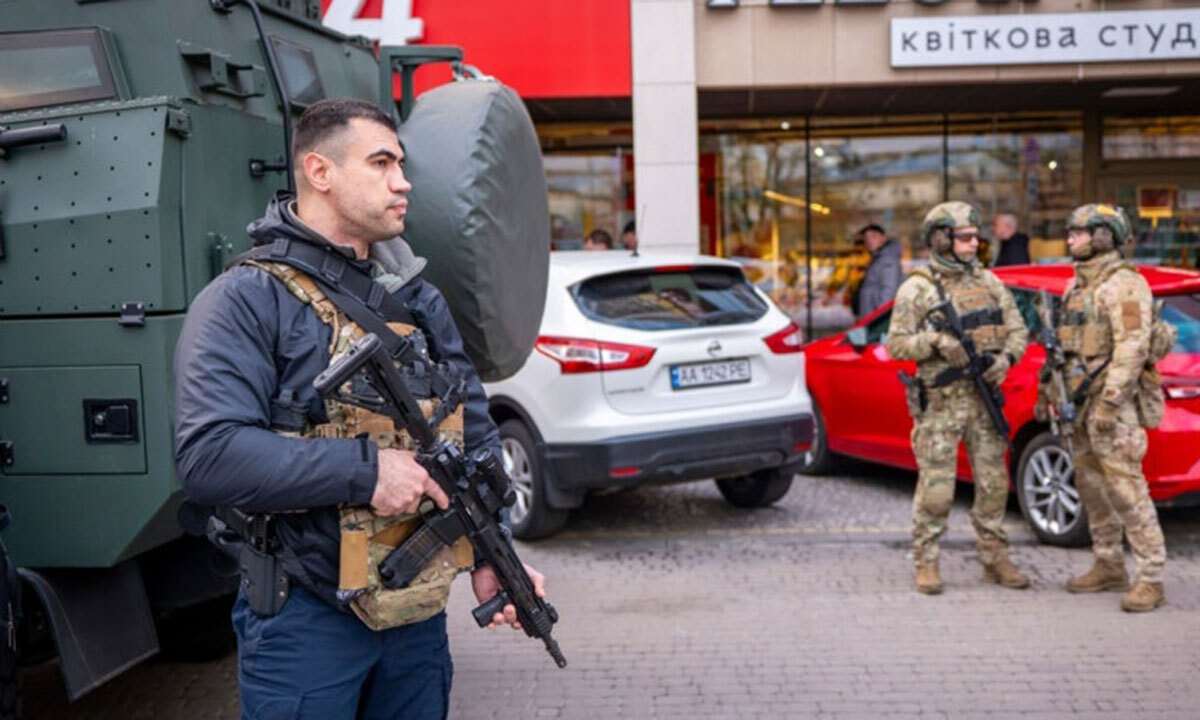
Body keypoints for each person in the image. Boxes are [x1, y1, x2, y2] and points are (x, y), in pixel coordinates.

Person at [173, 98, 546, 718]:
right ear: (319, 172)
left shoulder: (418, 299)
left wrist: (493, 555)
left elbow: (473, 435)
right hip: (304, 618)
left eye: (401, 164)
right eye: (381, 163)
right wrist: (369, 472)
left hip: (414, 617)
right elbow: (209, 456)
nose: (403, 182)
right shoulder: (245, 299)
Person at [887, 201, 1029, 595]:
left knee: (994, 485)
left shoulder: (989, 282)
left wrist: (1006, 359)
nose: (974, 243)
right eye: (964, 237)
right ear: (941, 239)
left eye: (975, 237)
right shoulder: (917, 288)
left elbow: (1018, 330)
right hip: (942, 402)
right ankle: (927, 560)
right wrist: (935, 341)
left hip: (984, 402)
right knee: (937, 489)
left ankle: (995, 558)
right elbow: (896, 344)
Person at [1039, 204, 1169, 612]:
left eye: (1078, 232)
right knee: (1091, 486)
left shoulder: (1124, 284)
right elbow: (1064, 348)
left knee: (1127, 490)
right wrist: (1049, 391)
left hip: (1112, 407)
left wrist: (1111, 402)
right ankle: (1109, 563)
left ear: (1103, 236)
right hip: (1078, 403)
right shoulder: (1076, 287)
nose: (1070, 239)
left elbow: (1132, 348)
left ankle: (1151, 577)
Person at [853, 223, 903, 319]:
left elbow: (889, 292)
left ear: (883, 238)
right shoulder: (877, 259)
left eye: (873, 236)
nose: (869, 240)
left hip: (876, 318)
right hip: (870, 316)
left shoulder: (888, 260)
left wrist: (877, 317)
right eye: (866, 238)